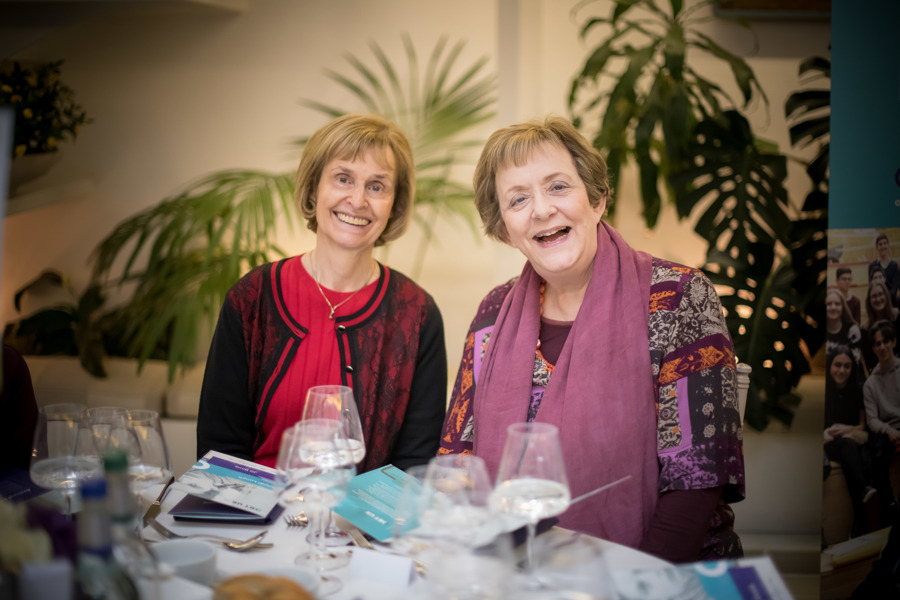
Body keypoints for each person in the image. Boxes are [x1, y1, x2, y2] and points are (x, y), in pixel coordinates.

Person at [439, 117, 744, 563]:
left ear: (597, 200)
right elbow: (457, 456)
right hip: (514, 569)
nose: (541, 210)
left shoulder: (677, 297)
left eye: (558, 187)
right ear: (505, 229)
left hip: (656, 575)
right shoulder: (493, 312)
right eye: (518, 199)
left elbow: (696, 479)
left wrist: (628, 585)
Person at [197, 114, 448, 472]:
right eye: (343, 178)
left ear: (394, 204)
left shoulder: (418, 314)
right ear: (314, 188)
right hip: (255, 504)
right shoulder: (251, 297)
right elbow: (219, 450)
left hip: (365, 509)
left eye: (377, 186)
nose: (358, 200)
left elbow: (415, 465)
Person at [824, 347, 877, 537]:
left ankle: (860, 521)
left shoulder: (857, 390)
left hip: (847, 441)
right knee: (848, 449)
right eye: (838, 365)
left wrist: (845, 429)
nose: (842, 370)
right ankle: (864, 489)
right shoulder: (824, 390)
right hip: (827, 443)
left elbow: (861, 425)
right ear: (830, 366)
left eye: (847, 366)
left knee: (851, 449)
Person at [863, 321, 900, 524]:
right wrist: (889, 431)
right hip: (888, 433)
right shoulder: (870, 384)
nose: (882, 346)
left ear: (894, 342)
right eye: (878, 343)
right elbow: (872, 420)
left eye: (886, 341)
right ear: (873, 349)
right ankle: (890, 507)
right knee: (875, 454)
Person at [826, 289, 866, 378]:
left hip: (850, 378)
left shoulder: (853, 330)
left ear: (843, 307)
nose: (833, 307)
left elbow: (853, 363)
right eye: (829, 304)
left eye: (837, 304)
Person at [869, 234, 899, 307]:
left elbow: (894, 288)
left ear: (888, 245)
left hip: (892, 303)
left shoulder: (894, 265)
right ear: (877, 247)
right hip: (877, 302)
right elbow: (871, 286)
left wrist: (884, 298)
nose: (883, 246)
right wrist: (879, 299)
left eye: (885, 243)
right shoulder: (872, 266)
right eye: (880, 244)